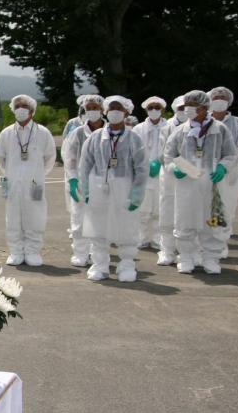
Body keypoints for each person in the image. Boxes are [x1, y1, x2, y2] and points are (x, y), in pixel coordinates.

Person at [164, 89, 238, 275]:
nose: (188, 109)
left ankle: (211, 258)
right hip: (187, 185)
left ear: (205, 108)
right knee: (185, 222)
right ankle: (187, 257)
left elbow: (230, 153)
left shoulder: (220, 129)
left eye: (193, 106)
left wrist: (222, 167)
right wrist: (175, 168)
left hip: (212, 185)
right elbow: (168, 155)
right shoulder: (180, 131)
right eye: (187, 105)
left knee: (212, 223)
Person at [78, 96, 147, 282]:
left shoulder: (134, 138)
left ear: (126, 112)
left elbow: (141, 168)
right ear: (105, 112)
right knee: (98, 229)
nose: (115, 111)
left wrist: (137, 194)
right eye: (111, 108)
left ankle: (126, 265)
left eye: (119, 108)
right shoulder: (95, 137)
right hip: (98, 187)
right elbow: (85, 165)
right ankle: (100, 265)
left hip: (125, 187)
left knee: (126, 228)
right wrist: (85, 191)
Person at [0, 94, 57, 266]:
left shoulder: (42, 133)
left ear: (32, 111)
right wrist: (10, 174)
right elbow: (0, 157)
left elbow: (50, 157)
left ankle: (33, 251)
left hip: (35, 183)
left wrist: (38, 175)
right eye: (17, 107)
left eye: (24, 107)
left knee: (35, 216)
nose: (20, 110)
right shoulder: (7, 133)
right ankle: (16, 251)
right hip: (12, 183)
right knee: (13, 217)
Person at [61, 94, 105, 267]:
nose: (92, 111)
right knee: (79, 220)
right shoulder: (77, 132)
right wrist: (72, 179)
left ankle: (99, 254)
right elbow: (69, 157)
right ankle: (80, 253)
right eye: (89, 109)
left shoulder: (110, 132)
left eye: (95, 108)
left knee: (100, 220)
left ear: (102, 110)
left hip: (104, 182)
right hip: (80, 181)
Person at [208, 86, 238, 255]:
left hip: (229, 172)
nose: (219, 99)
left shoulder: (237, 123)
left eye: (223, 97)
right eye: (216, 96)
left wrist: (225, 165)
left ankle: (220, 242)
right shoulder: (204, 121)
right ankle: (207, 241)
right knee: (207, 206)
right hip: (207, 170)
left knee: (226, 206)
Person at [132, 97, 167, 250]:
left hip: (163, 172)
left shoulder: (168, 127)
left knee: (159, 209)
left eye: (157, 107)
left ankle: (158, 238)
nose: (154, 110)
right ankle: (141, 237)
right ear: (146, 110)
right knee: (143, 208)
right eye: (151, 107)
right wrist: (145, 164)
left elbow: (173, 147)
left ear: (163, 109)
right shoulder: (138, 129)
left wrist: (161, 161)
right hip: (143, 173)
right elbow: (133, 150)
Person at [156, 96, 187, 265]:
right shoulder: (167, 127)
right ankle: (167, 250)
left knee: (190, 213)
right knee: (167, 211)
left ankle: (189, 252)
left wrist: (189, 168)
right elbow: (164, 151)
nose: (184, 111)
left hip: (192, 174)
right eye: (181, 108)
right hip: (169, 173)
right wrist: (177, 166)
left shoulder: (199, 127)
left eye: (188, 107)